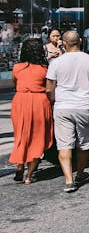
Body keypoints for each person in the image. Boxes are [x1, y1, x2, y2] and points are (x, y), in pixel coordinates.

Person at [46, 29, 89, 194]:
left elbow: (49, 89)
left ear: (64, 44)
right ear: (80, 41)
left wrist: (54, 100)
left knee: (64, 145)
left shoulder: (56, 63)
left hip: (63, 107)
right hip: (84, 107)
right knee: (83, 144)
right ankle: (81, 174)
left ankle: (69, 180)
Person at [9, 37, 54, 184]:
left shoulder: (17, 67)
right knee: (37, 138)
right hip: (39, 101)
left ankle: (20, 165)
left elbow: (15, 83)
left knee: (21, 135)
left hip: (21, 100)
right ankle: (29, 175)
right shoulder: (45, 69)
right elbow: (49, 89)